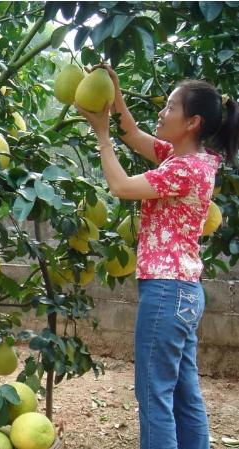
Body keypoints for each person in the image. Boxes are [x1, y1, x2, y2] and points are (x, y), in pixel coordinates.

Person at [77, 65, 239, 449]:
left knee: (154, 397)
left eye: (170, 107)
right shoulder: (192, 159)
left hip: (167, 293)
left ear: (192, 121)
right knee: (184, 394)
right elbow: (132, 134)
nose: (162, 114)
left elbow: (120, 186)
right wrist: (113, 92)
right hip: (184, 293)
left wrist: (101, 135)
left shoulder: (182, 169)